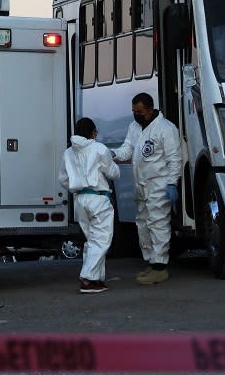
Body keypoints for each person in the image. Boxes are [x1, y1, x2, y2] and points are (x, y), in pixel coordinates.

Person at [112, 93, 183, 285]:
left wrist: (171, 183)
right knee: (143, 223)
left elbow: (174, 159)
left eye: (140, 112)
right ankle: (152, 262)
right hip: (141, 185)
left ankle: (160, 267)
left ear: (150, 110)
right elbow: (127, 149)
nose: (136, 115)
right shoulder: (134, 127)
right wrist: (111, 154)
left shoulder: (166, 129)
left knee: (158, 223)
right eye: (134, 111)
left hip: (158, 184)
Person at [58, 117, 120, 294]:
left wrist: (77, 187)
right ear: (93, 132)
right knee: (101, 240)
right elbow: (113, 173)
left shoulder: (68, 153)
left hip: (80, 200)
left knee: (92, 241)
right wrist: (112, 159)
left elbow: (63, 179)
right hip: (99, 198)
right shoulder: (99, 149)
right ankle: (87, 278)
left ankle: (97, 280)